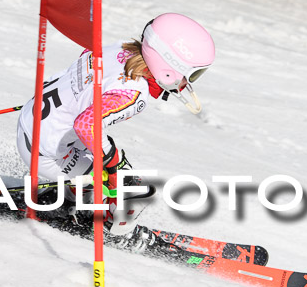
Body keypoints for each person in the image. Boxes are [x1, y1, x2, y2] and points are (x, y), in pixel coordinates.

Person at [16, 13, 215, 224]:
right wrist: (112, 163)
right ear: (169, 69)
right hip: (46, 152)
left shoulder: (121, 48)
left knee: (107, 157)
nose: (189, 82)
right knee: (134, 188)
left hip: (34, 118)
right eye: (192, 75)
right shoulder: (133, 94)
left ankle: (74, 197)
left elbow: (87, 61)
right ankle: (117, 231)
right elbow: (86, 125)